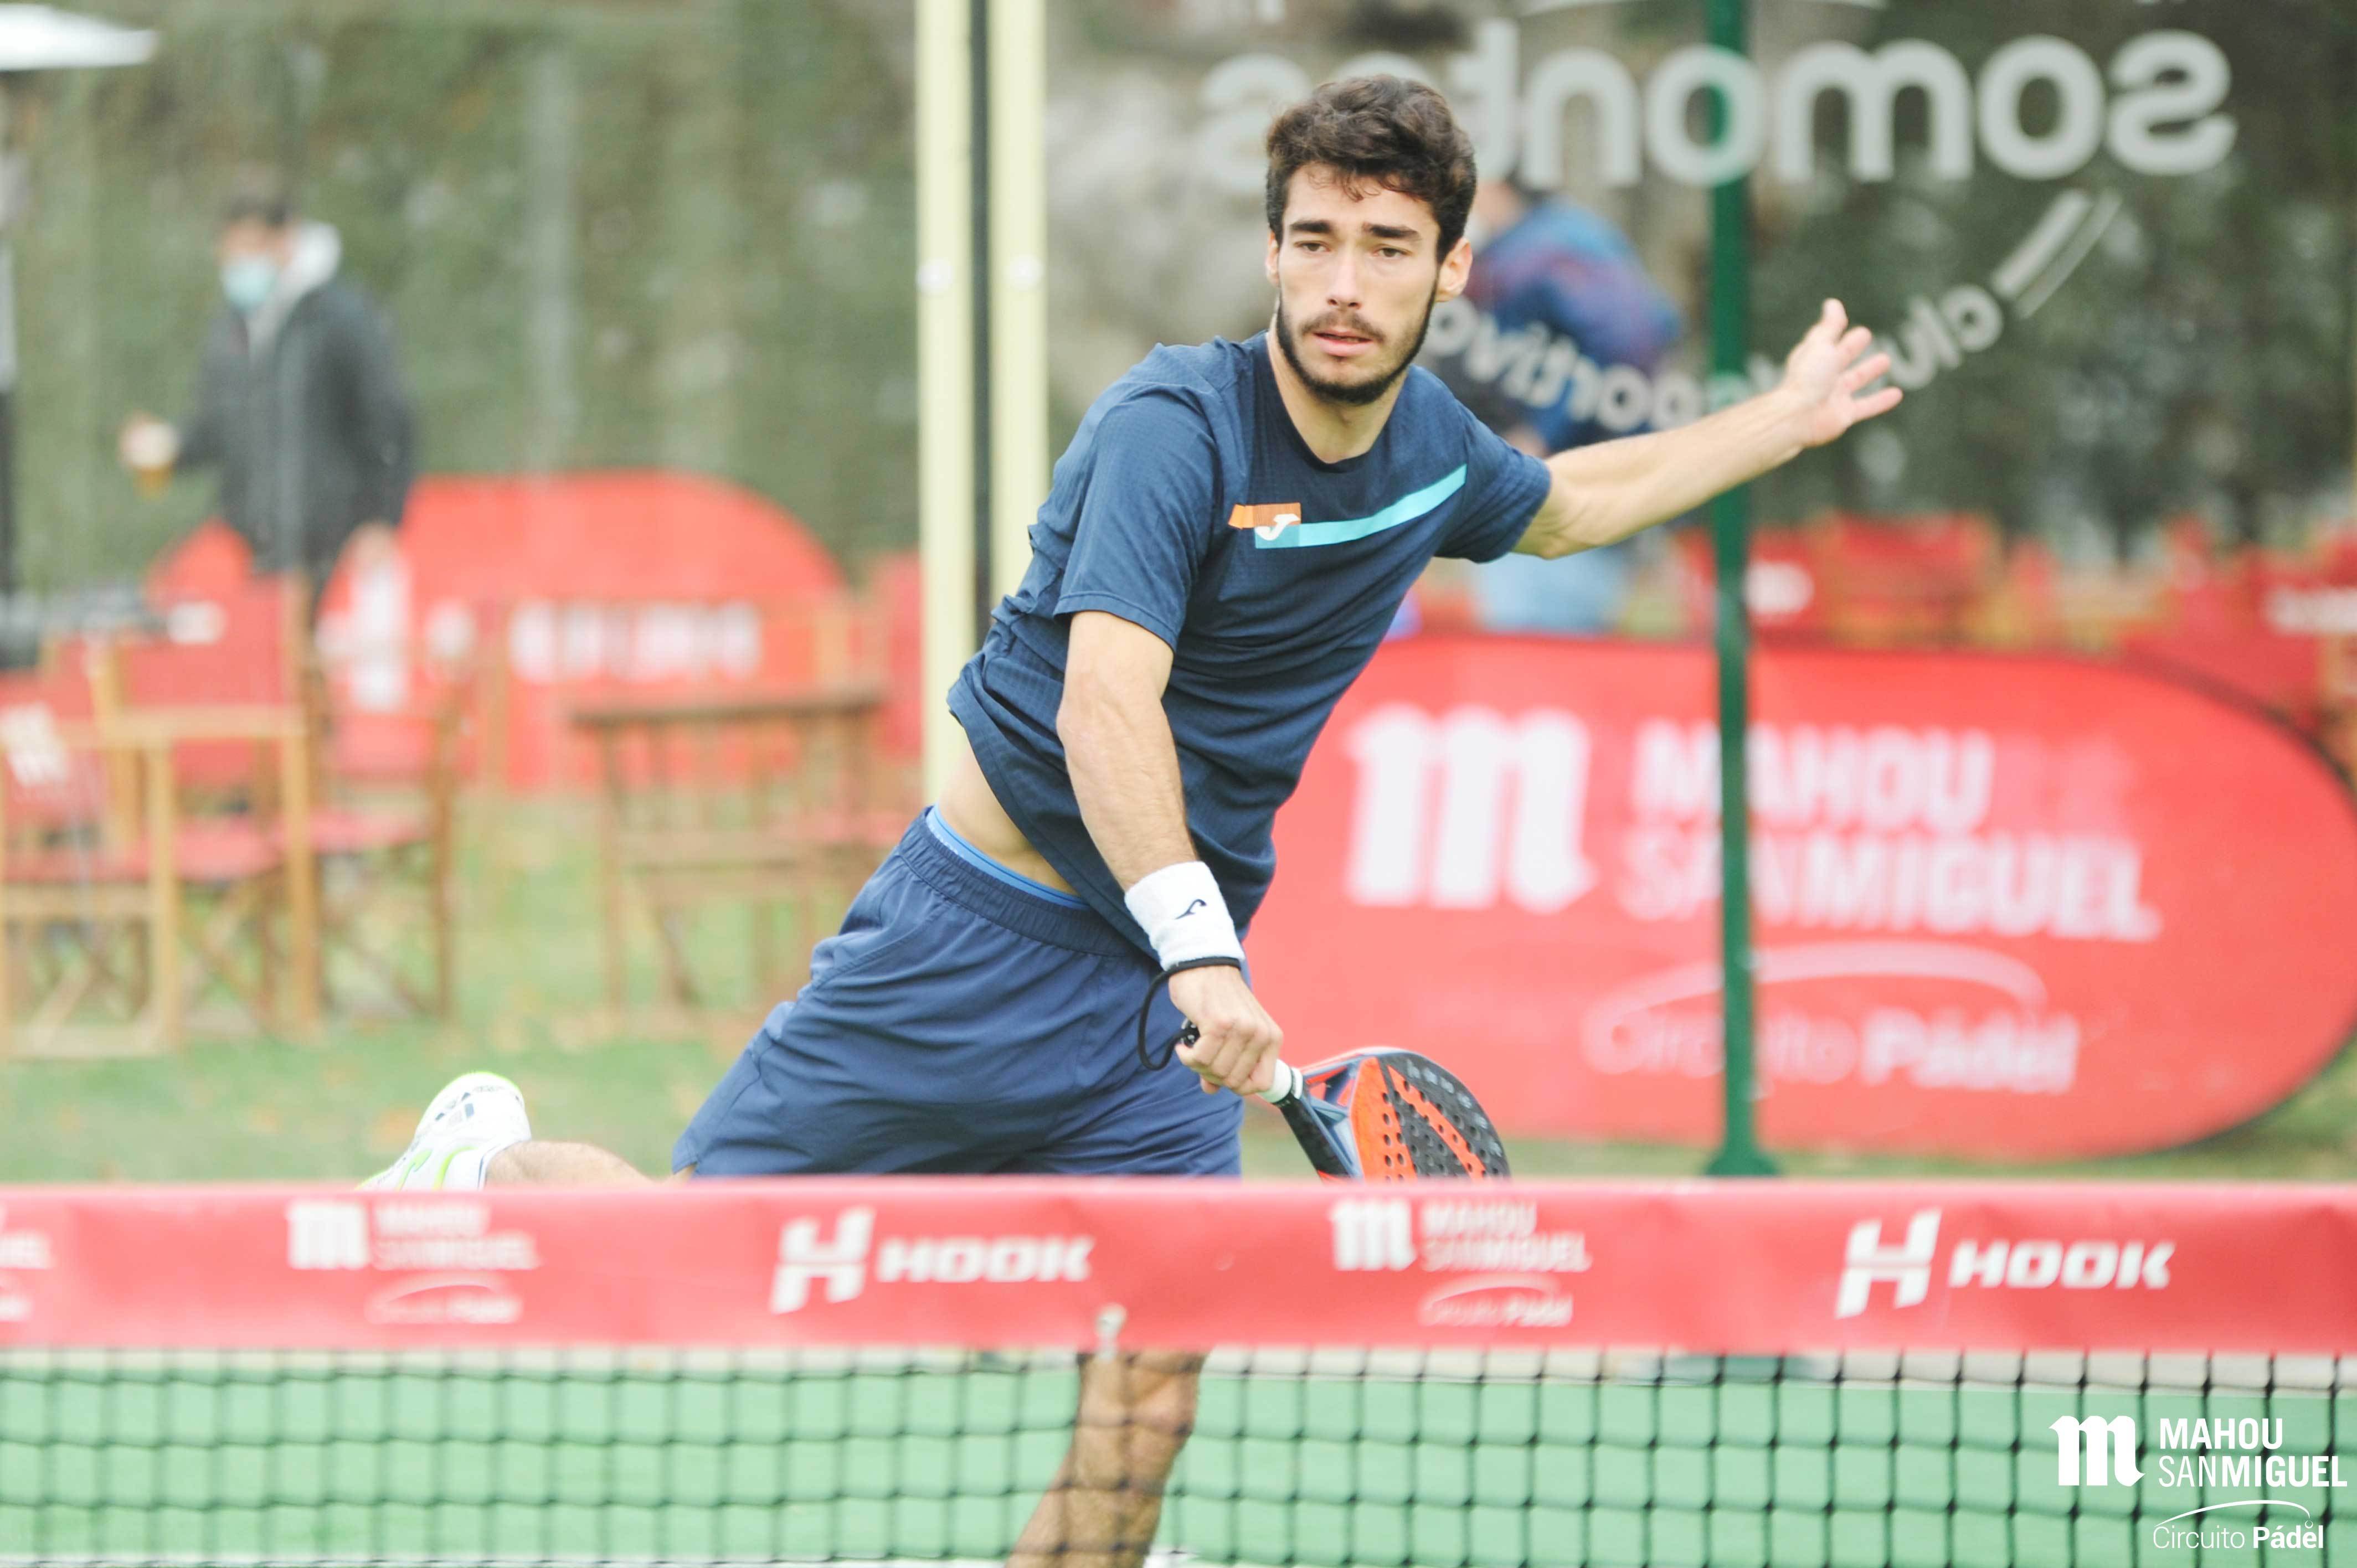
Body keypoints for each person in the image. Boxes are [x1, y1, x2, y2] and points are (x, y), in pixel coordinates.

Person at [363, 78, 1898, 1567]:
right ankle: (482, 1160)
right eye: (1314, 239)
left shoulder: (1431, 452)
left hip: (1154, 1018)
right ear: (1272, 250)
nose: (1344, 283)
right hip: (975, 945)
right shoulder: (1176, 426)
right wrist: (1203, 952)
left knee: (1157, 1376)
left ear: (1450, 270)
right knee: (681, 1266)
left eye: (1385, 246)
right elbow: (1108, 704)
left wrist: (1776, 423)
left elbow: (1571, 504)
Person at [119, 166, 416, 594]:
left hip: (334, 556)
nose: (241, 262)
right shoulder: (231, 328)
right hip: (255, 558)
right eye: (233, 249)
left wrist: (380, 519)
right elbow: (220, 428)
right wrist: (171, 446)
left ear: (286, 238)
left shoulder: (342, 317)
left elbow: (386, 420)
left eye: (252, 246)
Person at [1428, 177, 1685, 633]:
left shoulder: (1553, 246)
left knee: (1542, 646)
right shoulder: (1533, 244)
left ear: (1497, 187)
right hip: (1542, 478)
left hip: (1559, 483)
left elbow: (1629, 340)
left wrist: (1545, 432)